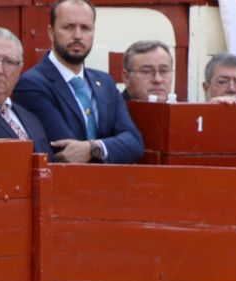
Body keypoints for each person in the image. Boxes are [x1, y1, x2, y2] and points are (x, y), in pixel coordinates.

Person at [12, 0, 144, 164]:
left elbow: (134, 142)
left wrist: (93, 148)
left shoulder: (105, 82)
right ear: (51, 32)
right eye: (68, 27)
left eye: (85, 28)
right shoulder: (31, 84)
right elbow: (67, 152)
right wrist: (108, 149)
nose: (78, 35)